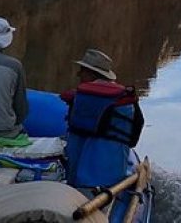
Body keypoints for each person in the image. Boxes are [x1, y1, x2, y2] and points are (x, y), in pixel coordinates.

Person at [62, 49, 144, 188]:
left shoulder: (79, 97)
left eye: (82, 70)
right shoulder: (125, 99)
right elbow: (135, 133)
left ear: (91, 73)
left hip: (77, 178)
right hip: (112, 174)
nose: (78, 74)